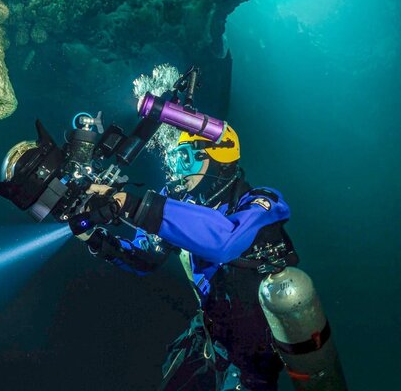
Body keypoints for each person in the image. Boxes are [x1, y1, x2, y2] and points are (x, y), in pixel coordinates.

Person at [69, 125, 298, 391]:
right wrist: (94, 237)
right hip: (210, 336)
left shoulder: (261, 201)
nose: (178, 170)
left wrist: (135, 206)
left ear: (217, 156)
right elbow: (146, 258)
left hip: (251, 354)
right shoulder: (186, 205)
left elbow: (224, 241)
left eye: (185, 159)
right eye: (174, 160)